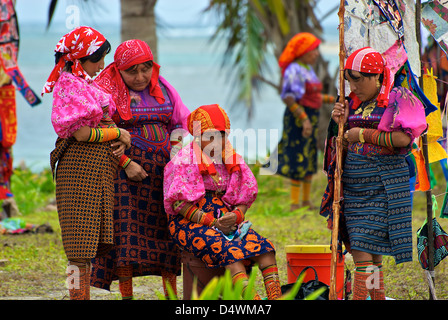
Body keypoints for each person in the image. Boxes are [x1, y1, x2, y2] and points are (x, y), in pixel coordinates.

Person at [90, 39, 190, 299]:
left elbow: (179, 124)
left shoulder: (164, 89)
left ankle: (171, 296)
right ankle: (127, 297)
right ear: (119, 70)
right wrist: (127, 164)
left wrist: (176, 156)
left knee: (167, 237)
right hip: (124, 178)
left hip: (164, 177)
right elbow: (103, 131)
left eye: (145, 69)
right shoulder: (104, 91)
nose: (140, 76)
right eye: (131, 71)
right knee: (127, 238)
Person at [328, 47, 426, 300]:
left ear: (377, 77)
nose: (353, 85)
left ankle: (366, 297)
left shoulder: (399, 97)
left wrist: (361, 133)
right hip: (354, 187)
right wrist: (337, 123)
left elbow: (404, 138)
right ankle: (377, 297)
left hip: (385, 186)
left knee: (367, 249)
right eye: (349, 79)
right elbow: (338, 142)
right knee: (364, 248)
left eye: (358, 79)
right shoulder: (351, 103)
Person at [43, 26, 131, 300]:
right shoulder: (69, 85)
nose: (101, 66)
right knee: (78, 248)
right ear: (78, 59)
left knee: (86, 246)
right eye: (96, 59)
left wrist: (119, 140)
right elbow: (80, 133)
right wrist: (118, 133)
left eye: (103, 58)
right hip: (79, 174)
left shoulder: (83, 84)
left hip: (95, 176)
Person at [163, 104, 281, 300]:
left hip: (225, 221)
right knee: (231, 252)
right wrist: (212, 222)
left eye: (222, 135)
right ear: (197, 136)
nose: (217, 142)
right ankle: (255, 302)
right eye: (210, 136)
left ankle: (276, 298)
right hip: (189, 221)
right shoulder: (184, 160)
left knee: (266, 249)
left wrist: (236, 215)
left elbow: (244, 196)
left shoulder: (230, 157)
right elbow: (178, 205)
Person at [263, 32, 330, 211]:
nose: (316, 54)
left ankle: (306, 200)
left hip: (311, 116)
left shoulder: (307, 69)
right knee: (296, 155)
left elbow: (311, 96)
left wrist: (334, 99)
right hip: (297, 117)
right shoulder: (294, 70)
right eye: (313, 50)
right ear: (303, 52)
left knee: (308, 155)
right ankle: (294, 202)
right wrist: (304, 119)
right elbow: (289, 97)